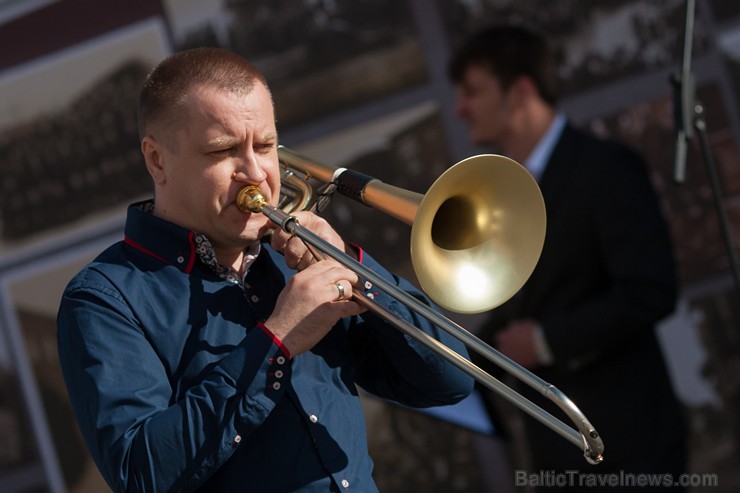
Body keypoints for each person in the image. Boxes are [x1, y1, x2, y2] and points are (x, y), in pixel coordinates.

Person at [56, 47, 474, 493]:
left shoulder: (293, 259)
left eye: (266, 145)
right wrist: (277, 341)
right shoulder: (102, 299)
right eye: (223, 150)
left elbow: (448, 381)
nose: (255, 172)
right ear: (157, 160)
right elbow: (142, 475)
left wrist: (358, 272)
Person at [448, 24, 687, 490]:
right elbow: (527, 306)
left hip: (628, 444)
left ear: (519, 92)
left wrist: (544, 342)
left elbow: (650, 291)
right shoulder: (506, 194)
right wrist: (450, 357)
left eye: (472, 91)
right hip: (558, 450)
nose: (460, 108)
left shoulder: (606, 168)